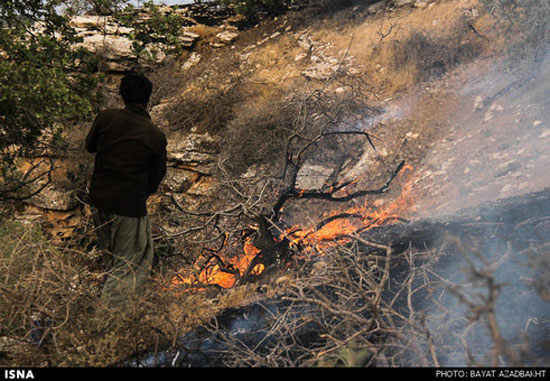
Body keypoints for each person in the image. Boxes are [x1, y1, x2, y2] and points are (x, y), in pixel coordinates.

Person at [85, 73, 167, 307]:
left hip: (98, 201)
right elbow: (156, 177)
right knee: (129, 268)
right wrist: (141, 194)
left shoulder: (105, 118)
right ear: (148, 99)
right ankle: (107, 327)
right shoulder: (154, 135)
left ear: (122, 95)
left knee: (112, 263)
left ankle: (113, 314)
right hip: (128, 208)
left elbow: (90, 146)